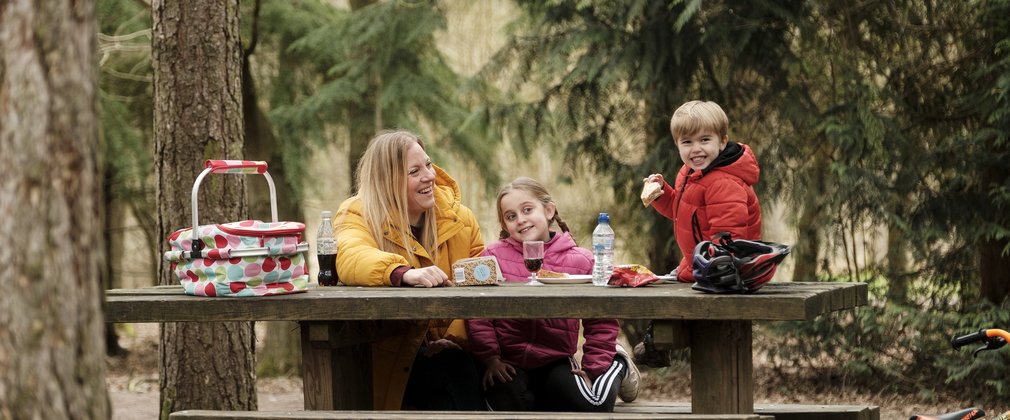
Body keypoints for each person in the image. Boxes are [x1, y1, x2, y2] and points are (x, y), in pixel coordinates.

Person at [334, 130, 485, 411]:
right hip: (391, 357)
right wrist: (400, 272)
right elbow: (350, 255)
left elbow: (482, 284)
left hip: (459, 353)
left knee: (455, 367)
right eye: (414, 171)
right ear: (388, 180)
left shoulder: (460, 219)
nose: (429, 176)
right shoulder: (357, 214)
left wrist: (454, 339)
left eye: (428, 164)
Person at [465, 177, 641, 412]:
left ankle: (618, 363)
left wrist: (593, 367)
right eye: (511, 216)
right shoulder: (492, 258)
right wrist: (490, 359)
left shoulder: (581, 260)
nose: (521, 219)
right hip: (508, 362)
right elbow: (478, 311)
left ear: (548, 210)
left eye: (527, 209)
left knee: (593, 407)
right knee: (510, 408)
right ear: (505, 225)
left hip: (555, 360)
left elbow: (601, 319)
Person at [644, 100, 764, 284]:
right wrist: (660, 193)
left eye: (704, 140)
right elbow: (685, 212)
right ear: (677, 145)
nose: (696, 149)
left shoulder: (724, 184)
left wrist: (714, 273)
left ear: (722, 141)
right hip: (698, 267)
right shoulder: (690, 172)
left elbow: (728, 240)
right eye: (687, 142)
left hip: (724, 275)